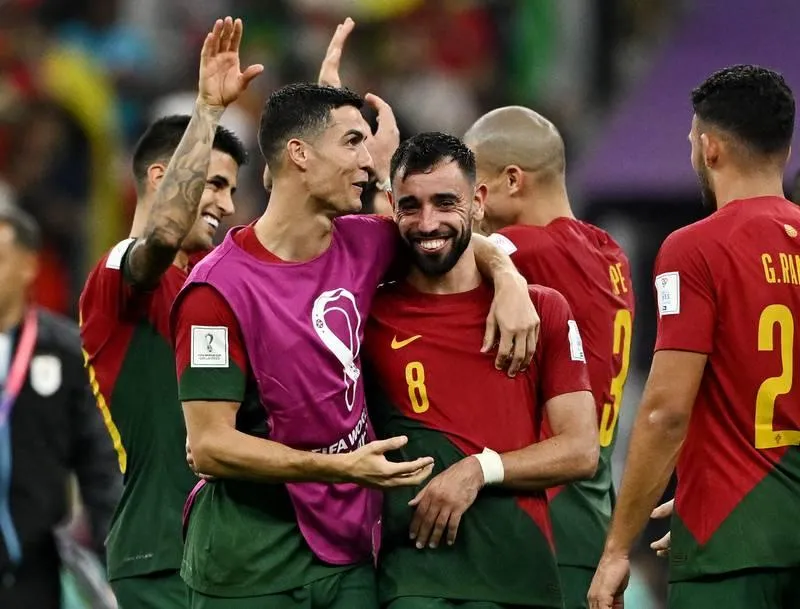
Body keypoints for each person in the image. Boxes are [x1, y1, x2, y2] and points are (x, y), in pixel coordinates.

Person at [173, 82, 539, 608]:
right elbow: (210, 446)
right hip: (248, 559)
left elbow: (446, 234)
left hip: (348, 554)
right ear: (299, 155)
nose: (370, 163)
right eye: (352, 143)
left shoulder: (365, 242)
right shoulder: (216, 290)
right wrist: (340, 468)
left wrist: (508, 278)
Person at [588, 64, 800, 609]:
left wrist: (616, 549)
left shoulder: (693, 250)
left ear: (709, 149)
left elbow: (664, 411)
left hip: (731, 547)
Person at [363, 132, 599, 609]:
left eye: (445, 203)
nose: (428, 223)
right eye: (411, 206)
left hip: (522, 572)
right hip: (415, 577)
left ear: (479, 202)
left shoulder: (541, 310)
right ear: (392, 207)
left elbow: (580, 450)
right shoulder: (368, 313)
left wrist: (479, 469)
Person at [79, 16, 260, 608]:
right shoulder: (117, 276)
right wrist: (207, 111)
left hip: (227, 554)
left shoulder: (214, 288)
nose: (227, 205)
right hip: (159, 555)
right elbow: (158, 238)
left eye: (233, 190)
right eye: (214, 184)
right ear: (162, 177)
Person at [462, 107, 635, 609]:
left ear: (512, 180)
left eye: (476, 186)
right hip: (593, 509)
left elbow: (429, 239)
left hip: (546, 517)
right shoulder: (609, 253)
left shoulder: (524, 248)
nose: (468, 204)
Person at [0, 205, 121, 609]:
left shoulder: (66, 352)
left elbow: (99, 464)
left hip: (34, 569)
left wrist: (117, 562)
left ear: (29, 266)